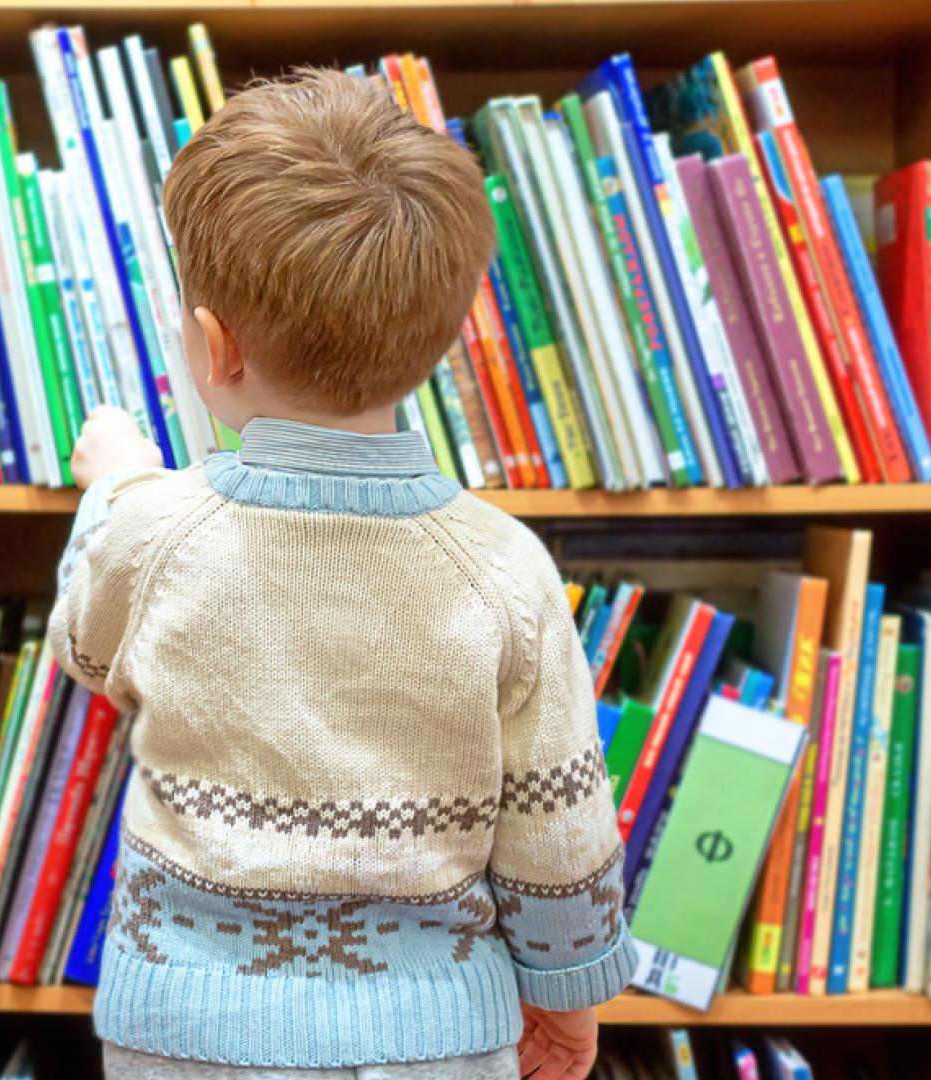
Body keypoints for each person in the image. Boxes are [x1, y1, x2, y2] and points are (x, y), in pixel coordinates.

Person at [49, 69, 633, 1080]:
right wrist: (566, 998)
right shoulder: (501, 566)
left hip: (189, 1037)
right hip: (435, 1040)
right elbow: (556, 823)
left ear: (211, 345)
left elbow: (85, 643)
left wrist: (115, 483)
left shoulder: (156, 533)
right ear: (443, 345)